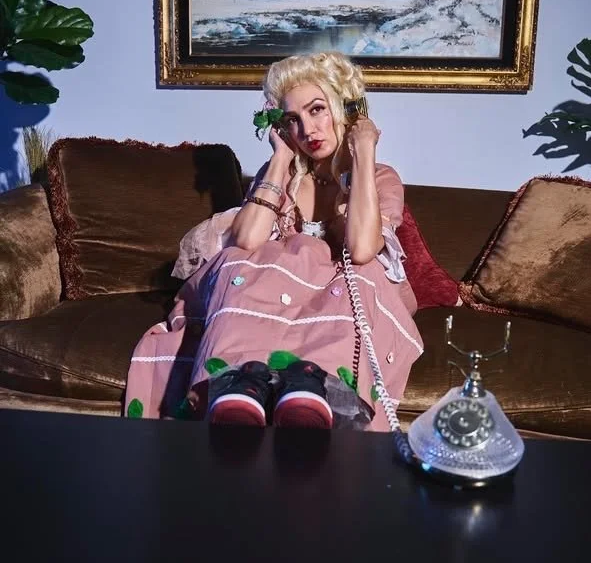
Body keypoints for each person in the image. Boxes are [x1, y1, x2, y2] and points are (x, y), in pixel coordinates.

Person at [124, 52, 423, 432]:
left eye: (317, 110)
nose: (308, 130)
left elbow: (363, 250)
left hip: (338, 291)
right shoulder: (281, 173)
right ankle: (239, 386)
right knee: (238, 261)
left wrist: (363, 150)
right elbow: (247, 240)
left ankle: (313, 391)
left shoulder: (379, 177)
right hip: (275, 292)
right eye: (293, 119)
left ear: (345, 108)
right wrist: (280, 160)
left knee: (362, 276)